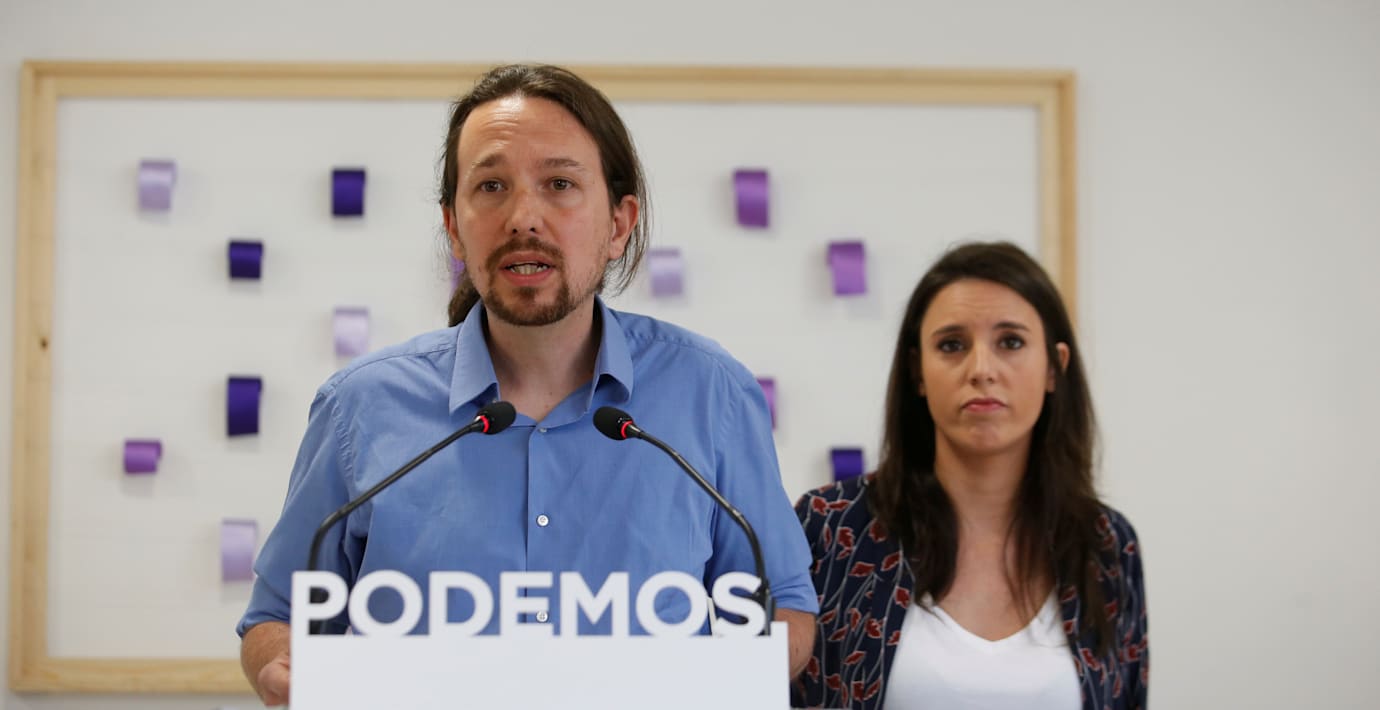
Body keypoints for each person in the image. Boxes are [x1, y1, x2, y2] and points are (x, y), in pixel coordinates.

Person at [237, 64, 818, 705]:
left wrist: (725, 677)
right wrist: (284, 669)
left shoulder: (713, 394)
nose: (523, 218)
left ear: (619, 224)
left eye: (559, 184)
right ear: (453, 226)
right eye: (491, 186)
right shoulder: (360, 406)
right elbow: (277, 617)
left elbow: (786, 607)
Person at [794, 242, 1147, 710]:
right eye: (952, 345)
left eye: (1011, 342)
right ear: (918, 371)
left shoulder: (1107, 544)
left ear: (1054, 367)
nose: (981, 369)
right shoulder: (832, 526)